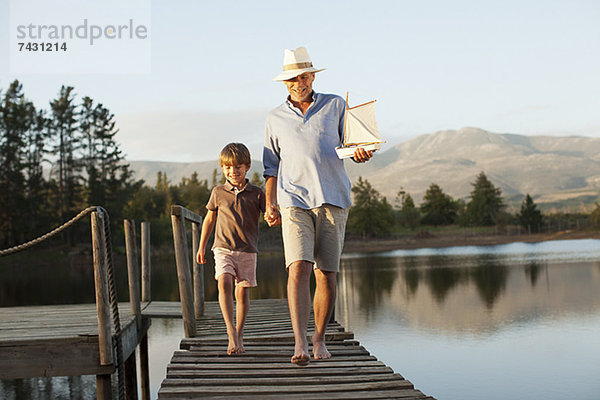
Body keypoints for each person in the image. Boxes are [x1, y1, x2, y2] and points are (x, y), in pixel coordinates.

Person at [263, 47, 373, 365]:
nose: (300, 82)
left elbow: (354, 144)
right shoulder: (274, 118)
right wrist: (270, 203)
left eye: (305, 76)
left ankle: (319, 337)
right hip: (293, 201)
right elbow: (271, 167)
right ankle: (299, 342)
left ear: (313, 76)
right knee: (298, 267)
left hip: (333, 199)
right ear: (285, 82)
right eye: (294, 78)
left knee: (326, 273)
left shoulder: (335, 104)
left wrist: (362, 153)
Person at [197, 142, 266, 355]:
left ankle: (239, 333)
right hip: (222, 247)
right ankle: (230, 333)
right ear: (223, 169)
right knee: (224, 281)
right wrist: (202, 247)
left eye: (237, 167)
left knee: (242, 293)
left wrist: (276, 216)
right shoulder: (218, 192)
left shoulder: (257, 193)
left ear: (246, 167)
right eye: (228, 167)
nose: (232, 172)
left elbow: (271, 215)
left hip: (247, 249)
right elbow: (209, 220)